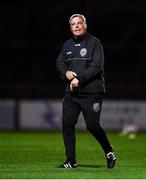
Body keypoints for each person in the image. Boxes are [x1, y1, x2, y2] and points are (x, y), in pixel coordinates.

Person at [56, 14, 116, 169]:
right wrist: (66, 73)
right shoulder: (67, 45)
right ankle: (71, 161)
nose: (76, 26)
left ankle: (109, 151)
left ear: (85, 25)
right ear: (70, 27)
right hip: (72, 93)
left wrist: (79, 78)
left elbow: (96, 67)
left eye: (79, 23)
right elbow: (60, 62)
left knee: (92, 125)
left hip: (92, 92)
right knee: (67, 124)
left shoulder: (95, 43)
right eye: (73, 24)